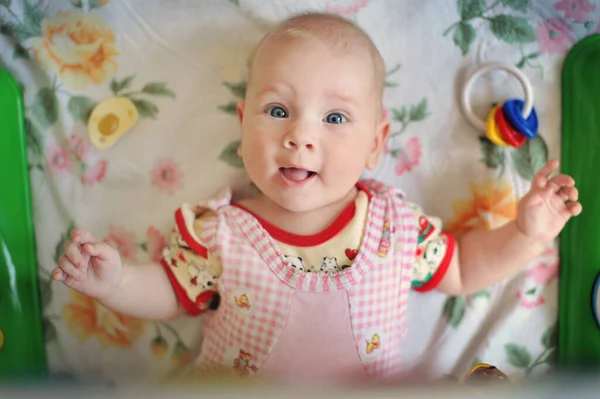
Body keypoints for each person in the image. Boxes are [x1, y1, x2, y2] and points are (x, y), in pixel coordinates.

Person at [52, 11, 581, 384]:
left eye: (334, 118)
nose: (300, 136)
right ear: (243, 127)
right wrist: (117, 281)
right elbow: (170, 289)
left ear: (376, 142)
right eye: (278, 111)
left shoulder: (395, 227)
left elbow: (463, 267)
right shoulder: (221, 230)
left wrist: (524, 233)